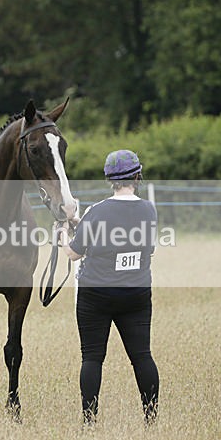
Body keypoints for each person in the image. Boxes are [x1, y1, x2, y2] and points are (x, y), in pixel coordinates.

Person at [59, 149, 159, 425]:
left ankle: (89, 421)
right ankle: (151, 418)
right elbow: (147, 250)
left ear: (109, 179)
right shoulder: (149, 209)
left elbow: (74, 253)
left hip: (96, 295)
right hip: (136, 293)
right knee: (142, 357)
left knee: (91, 358)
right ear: (138, 175)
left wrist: (60, 237)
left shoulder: (96, 211)